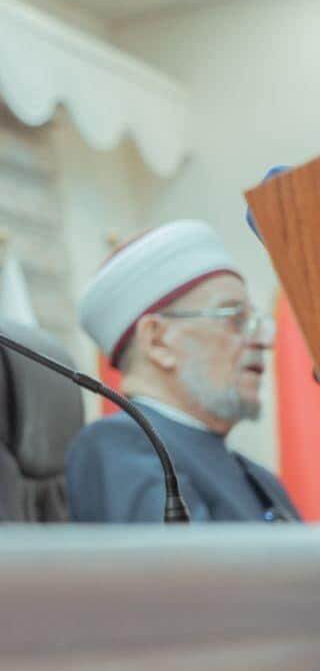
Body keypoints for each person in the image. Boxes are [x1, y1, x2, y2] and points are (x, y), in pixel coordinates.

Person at [67, 220, 298, 523]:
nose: (265, 341)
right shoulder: (118, 446)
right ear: (158, 341)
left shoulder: (257, 475)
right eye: (236, 319)